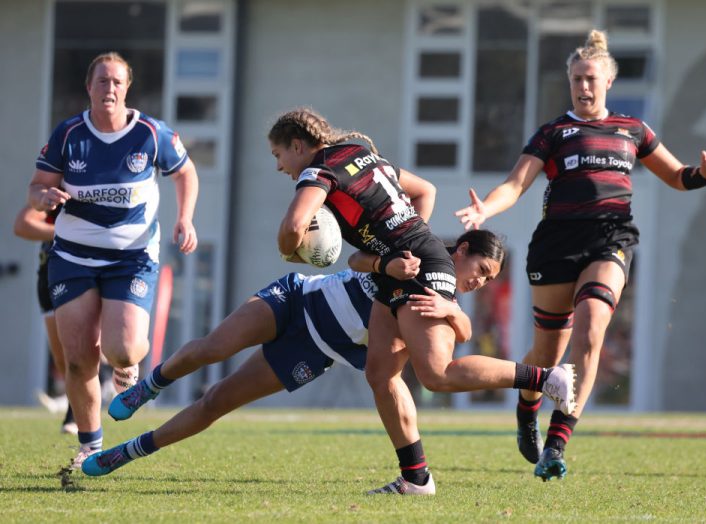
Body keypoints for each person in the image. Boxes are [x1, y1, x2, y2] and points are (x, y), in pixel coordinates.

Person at [455, 30, 706, 481]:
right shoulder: (553, 133)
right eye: (576, 79)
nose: (583, 87)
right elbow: (516, 184)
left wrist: (702, 173)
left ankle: (556, 443)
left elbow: (678, 177)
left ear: (608, 81)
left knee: (590, 332)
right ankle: (527, 406)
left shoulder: (633, 130)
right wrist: (485, 207)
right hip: (556, 245)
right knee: (548, 353)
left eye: (591, 79)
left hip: (611, 239)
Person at [268, 108, 575, 495]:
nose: (280, 166)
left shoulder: (320, 171)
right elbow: (423, 190)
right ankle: (415, 478)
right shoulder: (359, 152)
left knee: (436, 373)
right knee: (380, 374)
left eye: (279, 155)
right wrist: (397, 248)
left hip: (420, 264)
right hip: (398, 270)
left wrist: (288, 251)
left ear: (298, 146)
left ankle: (545, 378)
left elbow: (293, 228)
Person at [80, 230, 531, 479]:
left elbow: (460, 341)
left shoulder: (442, 296)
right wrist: (383, 264)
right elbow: (357, 257)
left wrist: (455, 311)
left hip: (316, 349)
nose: (481, 282)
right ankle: (151, 384)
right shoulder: (419, 249)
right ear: (463, 249)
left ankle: (128, 453)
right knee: (214, 347)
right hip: (298, 299)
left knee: (217, 401)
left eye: (489, 281)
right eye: (483, 271)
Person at [27, 51, 199, 468]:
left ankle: (127, 364)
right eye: (102, 81)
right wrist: (45, 196)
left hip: (132, 256)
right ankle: (89, 447)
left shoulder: (150, 133)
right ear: (89, 87)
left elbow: (185, 172)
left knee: (122, 350)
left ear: (127, 88)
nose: (110, 88)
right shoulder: (69, 134)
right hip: (72, 255)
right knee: (79, 357)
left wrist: (185, 219)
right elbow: (36, 187)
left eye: (117, 82)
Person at [13, 204, 77, 435]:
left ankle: (77, 414)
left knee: (80, 349)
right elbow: (22, 225)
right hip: (49, 273)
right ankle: (78, 402)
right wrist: (65, 231)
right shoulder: (55, 190)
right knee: (61, 357)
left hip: (84, 274)